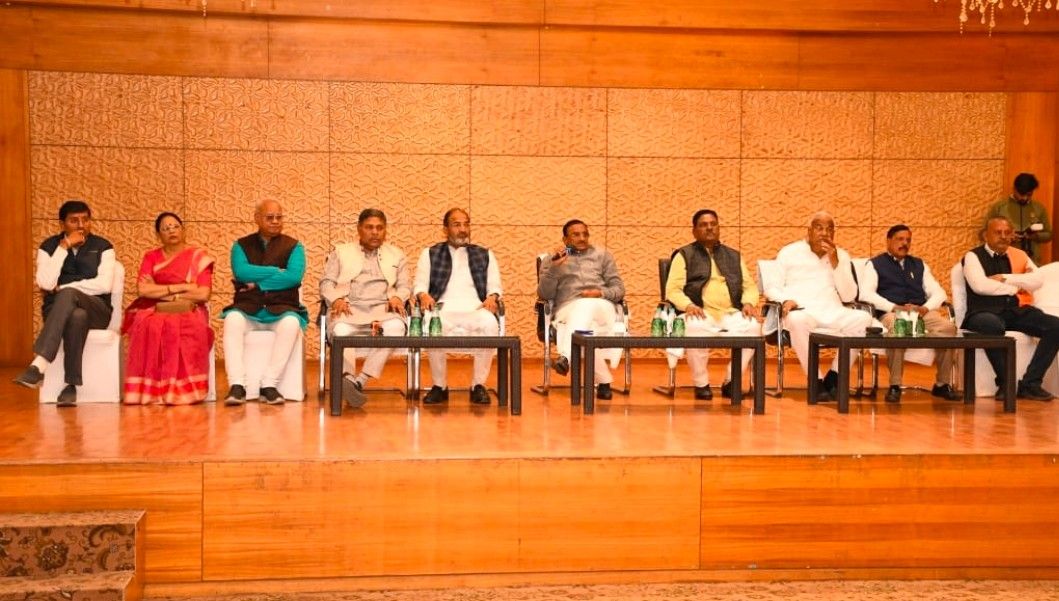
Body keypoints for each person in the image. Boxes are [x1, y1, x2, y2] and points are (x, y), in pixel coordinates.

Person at [13, 200, 116, 406]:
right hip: (57, 310)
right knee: (77, 316)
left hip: (97, 309)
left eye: (85, 220)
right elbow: (45, 283)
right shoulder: (48, 247)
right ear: (62, 224)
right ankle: (71, 386)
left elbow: (104, 285)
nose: (81, 225)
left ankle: (39, 364)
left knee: (70, 294)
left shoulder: (104, 247)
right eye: (74, 221)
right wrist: (64, 247)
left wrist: (67, 287)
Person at [764, 211, 873, 401]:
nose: (824, 233)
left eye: (829, 229)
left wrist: (836, 263)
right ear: (809, 231)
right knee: (797, 320)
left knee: (864, 319)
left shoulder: (841, 255)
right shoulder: (789, 252)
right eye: (819, 228)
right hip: (802, 310)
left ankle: (835, 377)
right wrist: (785, 299)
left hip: (833, 310)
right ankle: (816, 380)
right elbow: (771, 287)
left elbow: (849, 295)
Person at [664, 209, 761, 400]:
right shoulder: (684, 255)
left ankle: (731, 381)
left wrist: (748, 303)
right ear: (694, 231)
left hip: (730, 313)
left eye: (713, 224)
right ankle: (701, 384)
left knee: (753, 326)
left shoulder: (734, 256)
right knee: (693, 326)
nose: (709, 228)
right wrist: (688, 305)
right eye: (703, 225)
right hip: (700, 312)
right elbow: (672, 290)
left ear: (718, 227)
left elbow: (749, 286)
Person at [961, 216, 1059, 401]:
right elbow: (980, 286)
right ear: (985, 235)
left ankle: (1030, 384)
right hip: (982, 311)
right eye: (998, 232)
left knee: (1055, 326)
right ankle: (1005, 383)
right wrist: (1015, 288)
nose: (1003, 236)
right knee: (991, 325)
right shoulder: (973, 256)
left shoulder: (1018, 255)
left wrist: (1007, 278)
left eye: (1007, 232)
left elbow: (1038, 280)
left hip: (1013, 310)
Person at [320, 208, 410, 409]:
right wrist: (335, 300)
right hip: (349, 308)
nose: (375, 232)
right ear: (359, 229)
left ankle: (358, 381)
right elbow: (326, 283)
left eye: (379, 228)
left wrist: (398, 297)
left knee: (396, 327)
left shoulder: (397, 255)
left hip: (383, 309)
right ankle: (347, 377)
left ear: (385, 230)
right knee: (341, 331)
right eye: (369, 227)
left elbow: (405, 286)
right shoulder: (340, 252)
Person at [858, 225, 960, 402]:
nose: (904, 243)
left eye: (908, 240)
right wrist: (894, 307)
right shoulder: (874, 264)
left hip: (921, 313)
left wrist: (925, 308)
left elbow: (939, 293)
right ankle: (895, 385)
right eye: (900, 239)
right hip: (892, 312)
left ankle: (942, 384)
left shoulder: (919, 264)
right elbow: (866, 294)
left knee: (948, 328)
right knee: (900, 326)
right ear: (888, 241)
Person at [221, 200, 308, 406]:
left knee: (291, 323)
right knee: (232, 319)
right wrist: (275, 271)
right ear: (257, 219)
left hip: (281, 308)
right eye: (270, 217)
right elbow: (242, 272)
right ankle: (237, 385)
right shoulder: (240, 245)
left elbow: (293, 277)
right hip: (248, 308)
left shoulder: (294, 246)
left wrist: (258, 284)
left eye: (279, 217)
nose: (275, 221)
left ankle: (269, 384)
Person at [122, 212, 214, 405]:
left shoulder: (198, 257)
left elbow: (203, 294)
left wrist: (160, 290)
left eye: (175, 226)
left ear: (183, 230)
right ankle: (152, 391)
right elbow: (143, 290)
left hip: (191, 309)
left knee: (182, 325)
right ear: (158, 235)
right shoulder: (151, 257)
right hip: (155, 308)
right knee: (148, 325)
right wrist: (180, 288)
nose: (171, 231)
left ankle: (181, 390)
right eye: (165, 228)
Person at [413, 208, 502, 405]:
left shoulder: (484, 254)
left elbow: (494, 285)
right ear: (445, 229)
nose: (463, 229)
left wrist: (492, 297)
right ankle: (439, 386)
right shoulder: (430, 253)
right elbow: (419, 285)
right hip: (442, 309)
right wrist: (423, 295)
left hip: (476, 309)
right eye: (456, 225)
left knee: (490, 324)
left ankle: (478, 385)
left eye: (466, 224)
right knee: (432, 324)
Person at [538, 219, 626, 400]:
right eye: (576, 235)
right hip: (567, 309)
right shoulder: (552, 260)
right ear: (565, 239)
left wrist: (600, 293)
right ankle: (604, 382)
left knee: (586, 305)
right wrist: (554, 269)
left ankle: (566, 357)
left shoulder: (602, 256)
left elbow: (619, 289)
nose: (582, 238)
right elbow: (544, 294)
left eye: (585, 234)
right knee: (585, 330)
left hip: (602, 306)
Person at [984, 173, 1052, 265]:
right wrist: (1007, 236)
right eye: (1021, 194)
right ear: (1014, 189)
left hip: (1032, 261)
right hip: (1004, 261)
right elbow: (985, 233)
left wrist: (1035, 236)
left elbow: (1049, 234)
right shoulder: (999, 207)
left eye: (1029, 195)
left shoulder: (1039, 208)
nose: (1024, 198)